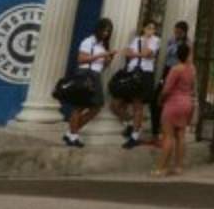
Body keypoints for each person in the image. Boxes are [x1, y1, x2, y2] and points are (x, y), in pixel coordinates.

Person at [64, 17, 117, 148]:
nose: (106, 34)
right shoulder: (88, 41)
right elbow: (81, 59)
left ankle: (71, 132)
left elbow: (103, 66)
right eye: (104, 30)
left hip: (96, 76)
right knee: (79, 107)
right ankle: (73, 136)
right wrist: (101, 56)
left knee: (96, 107)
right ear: (98, 29)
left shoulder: (102, 45)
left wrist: (109, 58)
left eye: (108, 31)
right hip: (85, 75)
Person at [111, 19, 160, 149]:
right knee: (115, 104)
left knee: (138, 105)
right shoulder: (135, 39)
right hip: (131, 74)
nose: (151, 30)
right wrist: (140, 54)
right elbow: (126, 53)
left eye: (153, 28)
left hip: (144, 74)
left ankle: (135, 136)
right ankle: (130, 123)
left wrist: (143, 46)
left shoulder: (155, 40)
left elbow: (146, 53)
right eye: (149, 27)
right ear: (143, 28)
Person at [153, 42, 195, 177]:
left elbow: (167, 89)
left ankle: (161, 168)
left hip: (173, 104)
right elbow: (192, 87)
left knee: (168, 137)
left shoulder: (176, 69)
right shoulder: (192, 69)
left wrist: (160, 99)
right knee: (181, 137)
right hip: (186, 103)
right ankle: (178, 167)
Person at [150, 20, 190, 143]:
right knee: (155, 102)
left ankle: (166, 134)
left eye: (179, 32)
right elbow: (166, 54)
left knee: (167, 102)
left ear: (184, 32)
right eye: (175, 30)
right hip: (167, 71)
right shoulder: (171, 40)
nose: (176, 33)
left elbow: (184, 60)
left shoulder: (187, 44)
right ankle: (155, 133)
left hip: (176, 72)